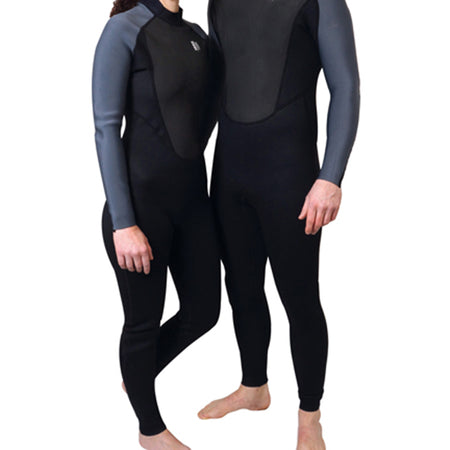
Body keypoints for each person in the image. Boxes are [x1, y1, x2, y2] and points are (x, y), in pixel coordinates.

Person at [198, 0, 360, 449]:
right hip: (229, 173)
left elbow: (346, 87)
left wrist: (330, 177)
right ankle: (254, 387)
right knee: (241, 287)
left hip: (289, 176)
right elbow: (215, 88)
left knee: (300, 297)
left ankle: (310, 416)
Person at [92, 0, 221, 448]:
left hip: (192, 203)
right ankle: (150, 430)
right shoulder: (124, 30)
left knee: (205, 311)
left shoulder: (198, 37)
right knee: (143, 321)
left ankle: (138, 374)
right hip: (141, 209)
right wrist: (123, 222)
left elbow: (206, 118)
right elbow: (106, 128)